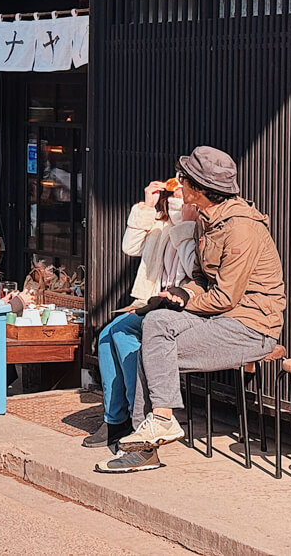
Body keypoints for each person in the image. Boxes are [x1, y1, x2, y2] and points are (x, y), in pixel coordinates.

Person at [97, 146, 286, 473]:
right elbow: (201, 278)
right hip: (220, 318)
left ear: (199, 188)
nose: (178, 184)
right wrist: (178, 293)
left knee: (152, 352)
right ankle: (159, 426)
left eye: (183, 179)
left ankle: (147, 446)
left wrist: (182, 300)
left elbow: (225, 297)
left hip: (251, 327)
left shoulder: (241, 227)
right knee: (154, 325)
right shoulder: (207, 220)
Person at [83, 180, 197, 454]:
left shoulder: (193, 223)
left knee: (121, 334)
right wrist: (146, 206)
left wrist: (182, 213)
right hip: (150, 302)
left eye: (182, 183)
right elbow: (129, 247)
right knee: (107, 335)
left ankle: (141, 418)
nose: (175, 188)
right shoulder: (160, 222)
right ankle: (116, 419)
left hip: (178, 307)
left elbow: (194, 269)